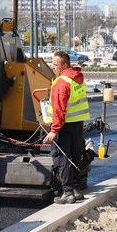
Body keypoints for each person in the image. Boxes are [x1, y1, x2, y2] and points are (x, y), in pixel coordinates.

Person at [44, 50, 91, 204]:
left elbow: (59, 109)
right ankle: (76, 189)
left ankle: (67, 193)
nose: (53, 67)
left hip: (63, 126)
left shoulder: (61, 82)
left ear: (64, 65)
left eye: (55, 64)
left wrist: (53, 130)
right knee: (75, 155)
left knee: (62, 158)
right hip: (77, 123)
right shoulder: (77, 78)